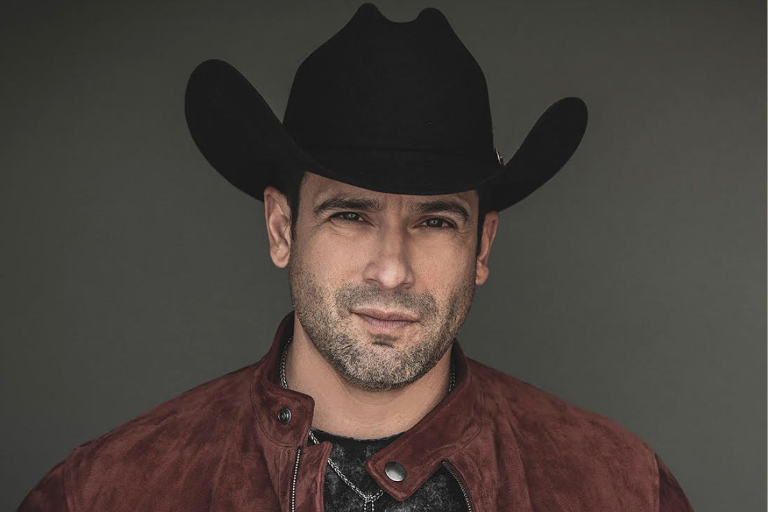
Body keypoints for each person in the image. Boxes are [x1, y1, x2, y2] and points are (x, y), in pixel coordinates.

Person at [18, 4, 694, 511]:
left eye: (435, 221)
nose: (392, 269)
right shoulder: (109, 490)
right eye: (350, 215)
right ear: (282, 229)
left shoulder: (621, 487)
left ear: (482, 248)